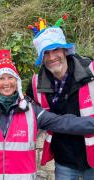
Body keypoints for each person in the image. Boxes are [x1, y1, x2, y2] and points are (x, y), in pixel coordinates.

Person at [0, 49, 94, 180]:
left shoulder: (30, 110)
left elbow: (62, 123)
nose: (6, 83)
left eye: (10, 77)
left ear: (17, 82)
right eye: (1, 78)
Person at [26, 16, 94, 180]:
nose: (51, 57)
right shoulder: (36, 82)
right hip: (64, 159)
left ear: (65, 50)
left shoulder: (91, 71)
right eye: (46, 53)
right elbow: (26, 105)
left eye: (55, 50)